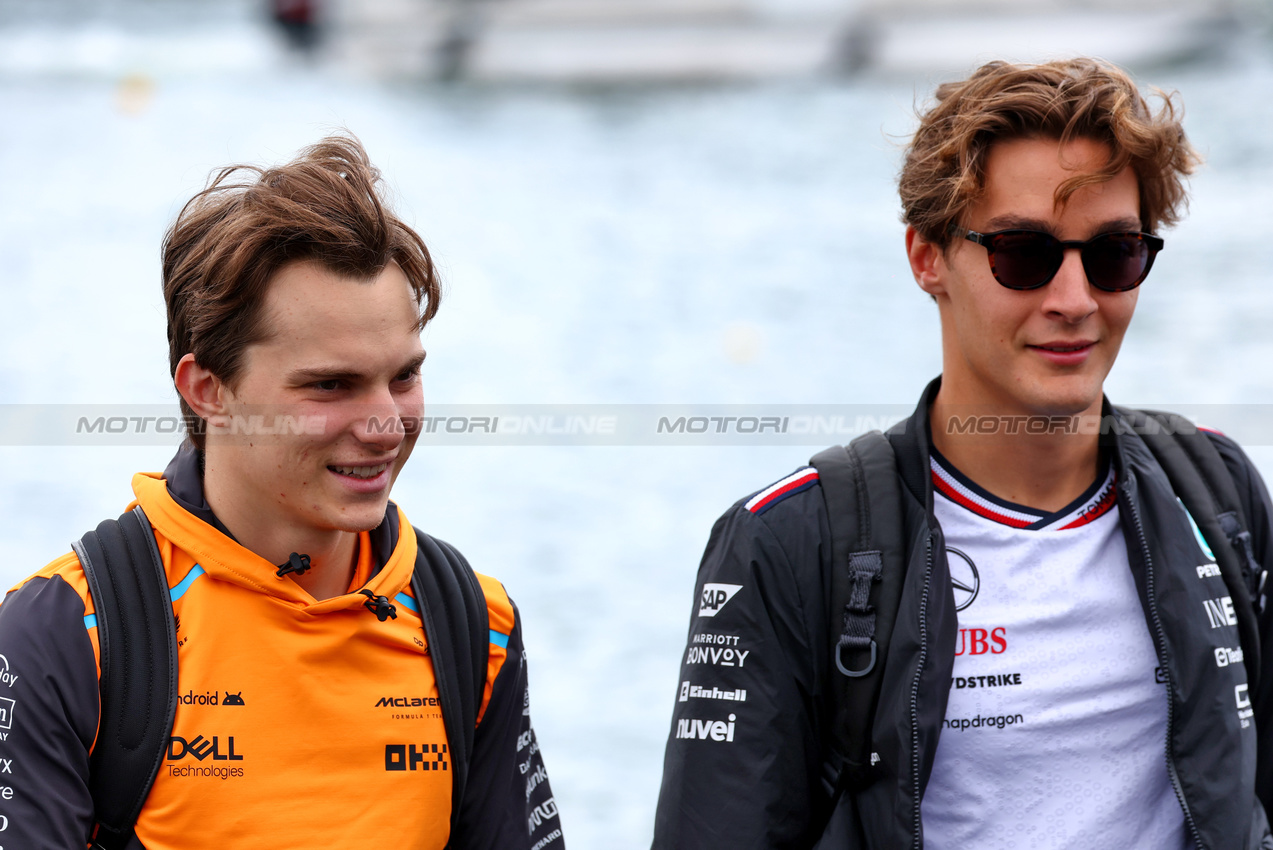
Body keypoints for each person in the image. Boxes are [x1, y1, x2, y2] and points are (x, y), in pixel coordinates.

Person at [652, 58, 1273, 849]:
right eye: (1024, 253)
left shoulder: (1216, 489)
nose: (1075, 300)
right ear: (926, 258)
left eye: (1113, 253)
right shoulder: (786, 544)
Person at [0, 134, 563, 849]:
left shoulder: (471, 622)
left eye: (403, 377)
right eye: (331, 385)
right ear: (207, 390)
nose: (386, 425)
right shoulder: (67, 633)